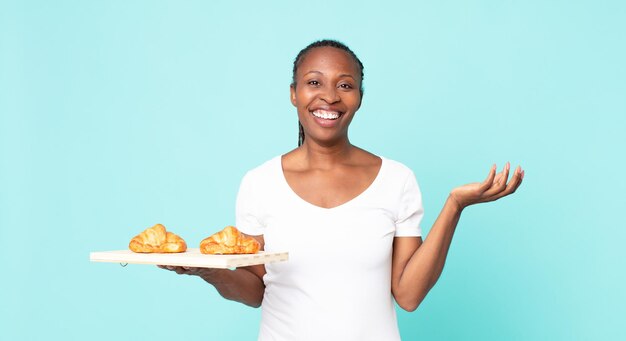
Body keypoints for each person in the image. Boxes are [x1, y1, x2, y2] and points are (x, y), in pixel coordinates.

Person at [160, 39, 524, 340]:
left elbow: (408, 296)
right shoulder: (260, 183)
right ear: (293, 93)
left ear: (359, 97)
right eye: (314, 82)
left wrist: (454, 205)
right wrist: (208, 270)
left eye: (345, 85)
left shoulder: (396, 179)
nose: (329, 96)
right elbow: (255, 291)